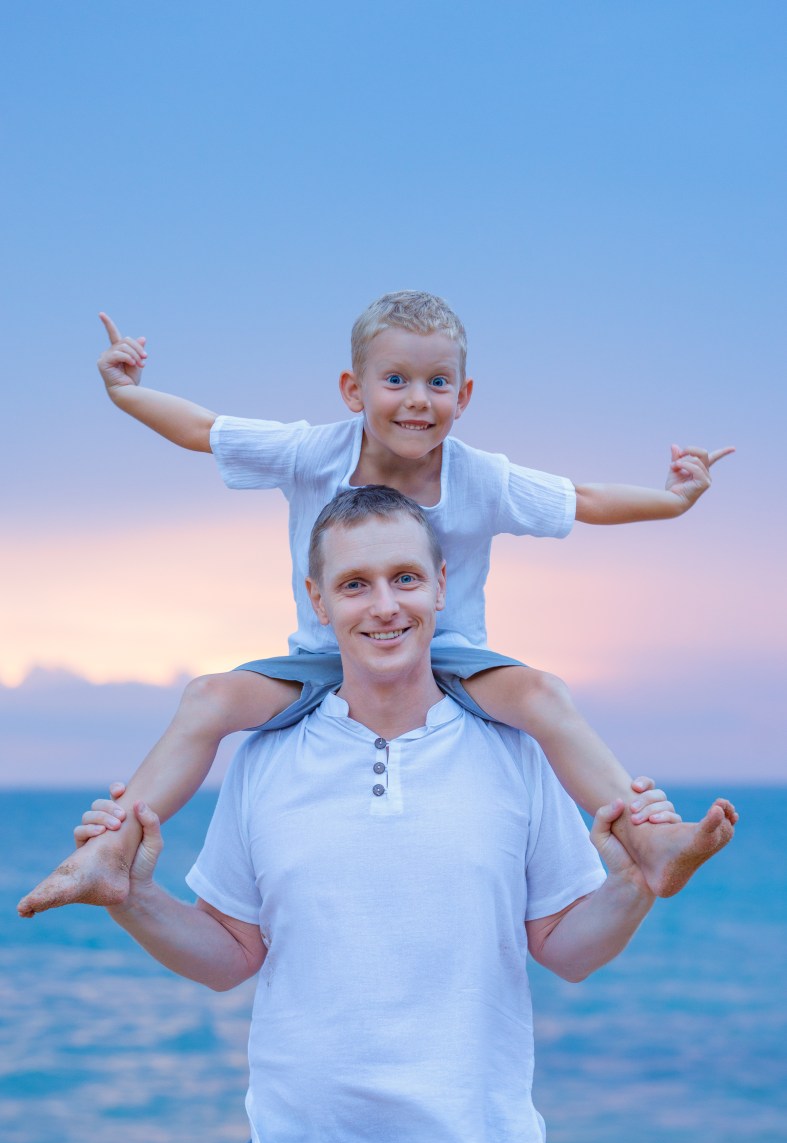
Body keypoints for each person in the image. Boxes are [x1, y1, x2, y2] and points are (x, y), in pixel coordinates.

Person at [79, 487, 737, 1143]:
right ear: (317, 600)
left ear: (441, 584)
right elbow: (231, 957)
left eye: (405, 579)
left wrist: (633, 882)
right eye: (354, 584)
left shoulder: (515, 749)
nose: (385, 606)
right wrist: (132, 896)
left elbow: (565, 951)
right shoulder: (264, 758)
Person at [18, 291, 735, 920]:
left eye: (437, 381)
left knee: (545, 695)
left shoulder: (479, 475)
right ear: (353, 389)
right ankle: (109, 854)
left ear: (465, 394)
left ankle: (648, 840)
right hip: (318, 656)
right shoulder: (309, 452)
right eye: (395, 379)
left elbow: (584, 500)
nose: (417, 398)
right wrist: (125, 393)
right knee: (207, 698)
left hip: (448, 656)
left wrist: (673, 500)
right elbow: (202, 430)